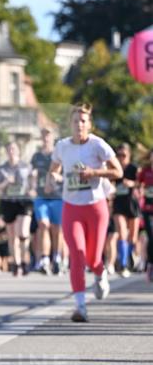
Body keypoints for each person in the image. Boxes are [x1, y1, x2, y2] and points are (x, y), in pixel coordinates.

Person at [47, 103, 122, 323]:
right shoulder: (62, 146)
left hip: (96, 208)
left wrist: (94, 172)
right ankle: (80, 306)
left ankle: (100, 272)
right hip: (71, 208)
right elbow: (54, 170)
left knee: (93, 258)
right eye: (75, 121)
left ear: (89, 125)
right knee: (77, 255)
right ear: (70, 124)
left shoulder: (98, 145)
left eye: (83, 121)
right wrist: (54, 178)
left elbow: (118, 171)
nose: (79, 124)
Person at [0, 141, 33, 276]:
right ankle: (16, 263)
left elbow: (33, 183)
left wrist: (32, 189)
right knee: (12, 235)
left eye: (14, 149)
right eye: (9, 149)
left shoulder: (26, 167)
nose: (11, 151)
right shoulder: (1, 169)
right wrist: (6, 182)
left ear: (18, 151)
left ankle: (25, 260)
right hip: (8, 202)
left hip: (24, 202)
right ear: (6, 151)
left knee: (23, 232)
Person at [30, 128, 64, 274]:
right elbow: (32, 175)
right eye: (43, 135)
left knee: (57, 229)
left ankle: (57, 258)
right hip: (41, 197)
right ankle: (44, 259)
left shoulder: (59, 155)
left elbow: (65, 175)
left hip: (57, 196)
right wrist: (32, 185)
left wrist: (56, 179)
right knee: (43, 225)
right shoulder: (36, 156)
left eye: (48, 135)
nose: (45, 137)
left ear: (53, 137)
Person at [112, 143, 140, 277]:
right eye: (119, 155)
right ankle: (123, 264)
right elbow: (108, 182)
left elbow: (142, 184)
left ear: (129, 155)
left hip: (132, 204)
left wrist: (132, 183)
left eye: (124, 155)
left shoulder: (134, 168)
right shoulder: (114, 168)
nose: (121, 158)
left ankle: (129, 257)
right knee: (122, 232)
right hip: (118, 204)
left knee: (132, 236)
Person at [136, 148, 153, 282]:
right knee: (150, 236)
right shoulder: (145, 171)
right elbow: (138, 185)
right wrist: (140, 191)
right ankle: (150, 265)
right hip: (147, 209)